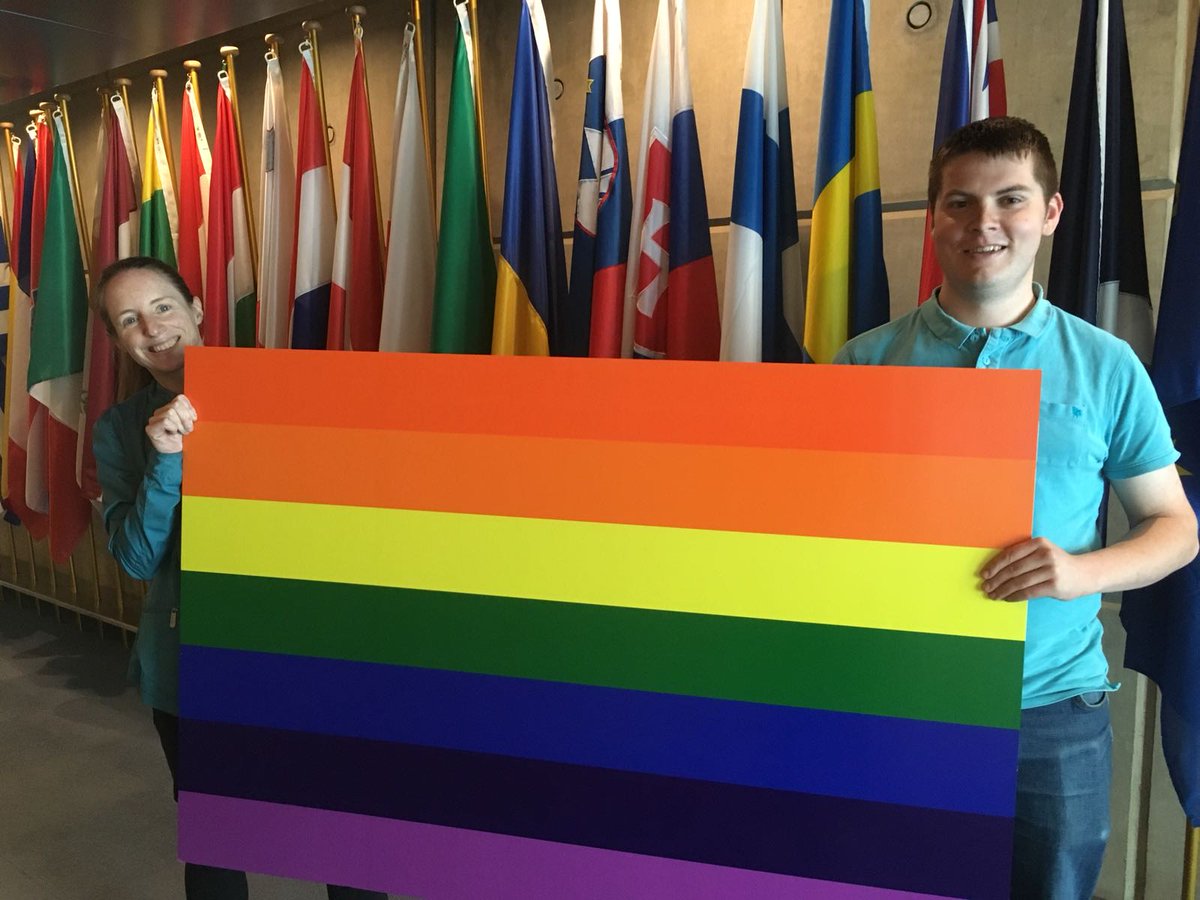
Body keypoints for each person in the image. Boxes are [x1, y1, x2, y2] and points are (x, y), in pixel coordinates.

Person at [834, 116, 1198, 899]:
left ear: (1052, 211)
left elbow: (1176, 529)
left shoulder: (1108, 366)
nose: (984, 222)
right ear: (933, 216)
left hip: (1052, 711)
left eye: (1010, 198)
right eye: (960, 202)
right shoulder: (860, 364)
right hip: (898, 704)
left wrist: (1078, 572)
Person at [91, 256, 387, 900]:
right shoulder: (118, 430)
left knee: (347, 829)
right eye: (129, 320)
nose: (152, 328)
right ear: (118, 341)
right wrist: (166, 462)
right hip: (192, 661)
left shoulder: (285, 391)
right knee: (218, 838)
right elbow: (138, 559)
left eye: (163, 306)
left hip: (312, 650)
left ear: (196, 309)